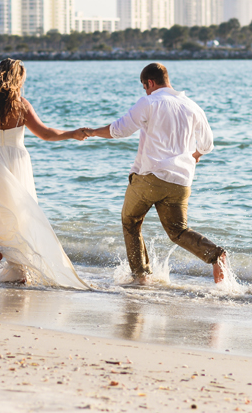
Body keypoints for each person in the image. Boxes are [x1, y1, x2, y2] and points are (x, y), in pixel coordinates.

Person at [83, 62, 230, 284]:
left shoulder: (150, 101)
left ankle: (141, 276)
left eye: (145, 87)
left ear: (150, 83)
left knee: (130, 220)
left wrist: (92, 131)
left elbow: (120, 129)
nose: (145, 91)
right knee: (178, 232)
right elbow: (208, 144)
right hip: (181, 182)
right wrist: (196, 154)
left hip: (150, 178)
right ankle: (216, 255)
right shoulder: (192, 106)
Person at [0, 58, 89, 289]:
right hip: (17, 162)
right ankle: (19, 270)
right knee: (19, 215)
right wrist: (72, 133)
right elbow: (46, 134)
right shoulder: (22, 105)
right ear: (19, 79)